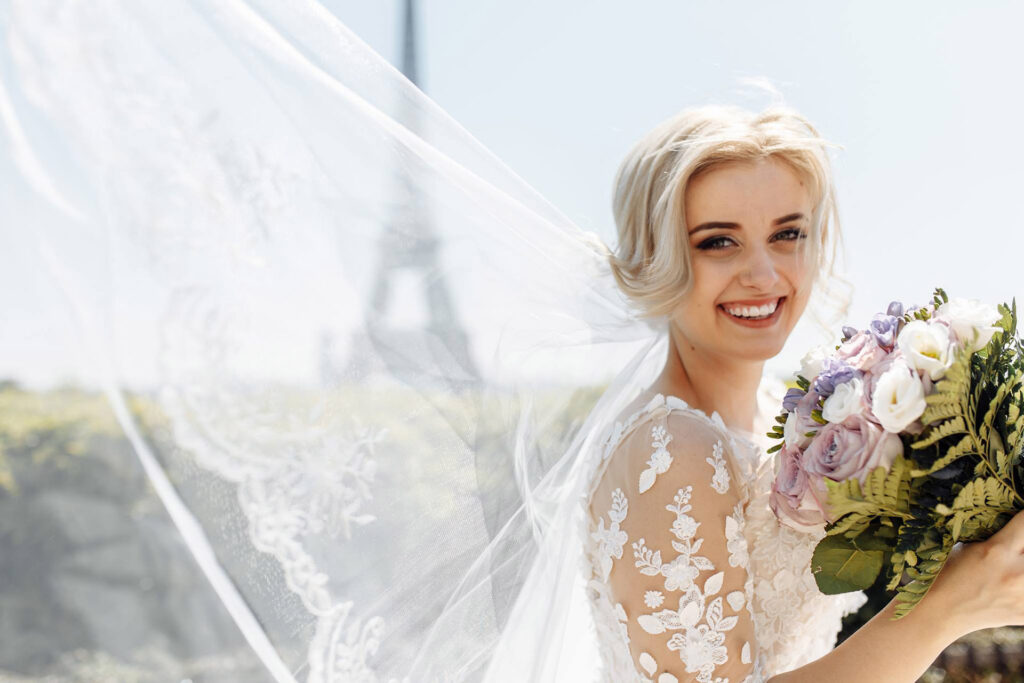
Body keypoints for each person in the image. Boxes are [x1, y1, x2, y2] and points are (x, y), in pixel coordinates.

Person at [579, 106, 1024, 682]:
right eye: (718, 242)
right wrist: (945, 607)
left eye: (787, 234)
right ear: (655, 257)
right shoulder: (671, 452)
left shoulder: (782, 412)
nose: (764, 275)